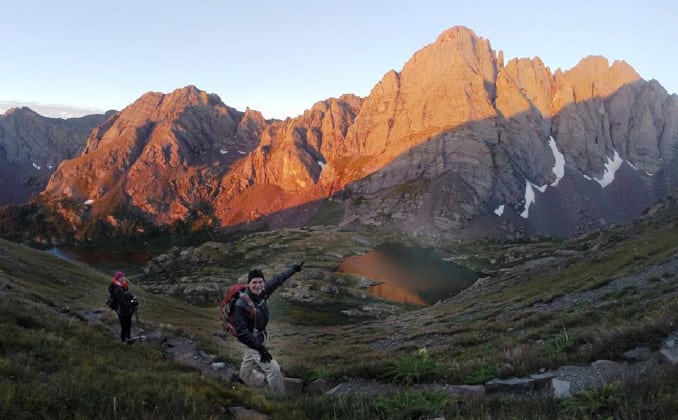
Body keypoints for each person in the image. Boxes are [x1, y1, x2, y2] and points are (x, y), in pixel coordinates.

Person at [232, 263, 303, 393]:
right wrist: (260, 348)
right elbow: (241, 333)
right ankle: (278, 399)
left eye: (260, 282)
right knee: (274, 369)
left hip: (260, 336)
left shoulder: (263, 292)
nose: (258, 285)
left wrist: (293, 269)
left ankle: (242, 379)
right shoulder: (240, 305)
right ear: (248, 284)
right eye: (254, 282)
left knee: (248, 360)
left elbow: (278, 279)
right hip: (252, 340)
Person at [110, 271, 140, 343]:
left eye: (124, 276)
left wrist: (132, 297)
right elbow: (123, 303)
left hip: (123, 310)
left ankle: (128, 338)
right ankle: (123, 340)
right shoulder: (118, 289)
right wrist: (133, 303)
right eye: (122, 277)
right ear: (119, 279)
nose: (124, 278)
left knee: (127, 325)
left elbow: (126, 295)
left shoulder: (121, 286)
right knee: (125, 326)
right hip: (122, 311)